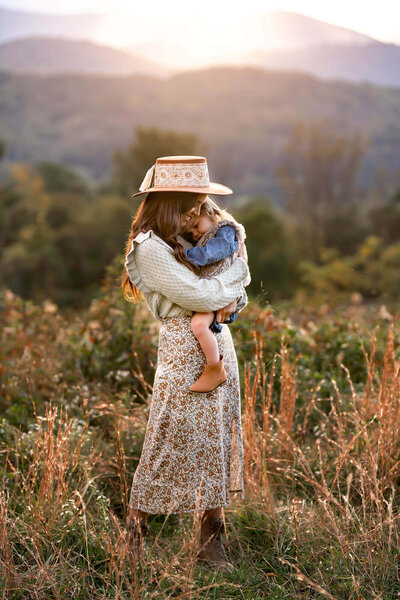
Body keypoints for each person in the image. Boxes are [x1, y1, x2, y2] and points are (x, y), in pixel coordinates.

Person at [121, 155, 250, 572]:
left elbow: (235, 301)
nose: (198, 210)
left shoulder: (198, 239)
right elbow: (203, 297)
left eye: (201, 202)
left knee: (214, 441)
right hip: (181, 350)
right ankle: (134, 538)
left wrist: (229, 291)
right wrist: (236, 277)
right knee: (167, 439)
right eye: (192, 202)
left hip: (217, 341)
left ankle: (211, 543)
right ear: (170, 202)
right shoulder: (150, 249)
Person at [181, 197, 250, 393]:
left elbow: (211, 253)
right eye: (191, 233)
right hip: (216, 291)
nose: (195, 234)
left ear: (209, 212)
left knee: (199, 325)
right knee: (199, 325)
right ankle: (212, 367)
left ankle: (215, 370)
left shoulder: (226, 232)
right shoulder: (208, 235)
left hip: (223, 293)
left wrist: (184, 257)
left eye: (195, 225)